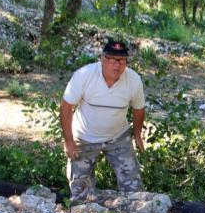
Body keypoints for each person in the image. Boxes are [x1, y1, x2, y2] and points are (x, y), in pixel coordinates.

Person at [60, 38, 145, 202]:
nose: (117, 65)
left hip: (118, 137)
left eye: (121, 60)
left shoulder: (133, 80)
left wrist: (138, 134)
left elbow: (139, 110)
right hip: (84, 137)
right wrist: (69, 140)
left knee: (134, 191)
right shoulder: (84, 75)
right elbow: (66, 107)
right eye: (112, 59)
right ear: (102, 59)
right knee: (79, 193)